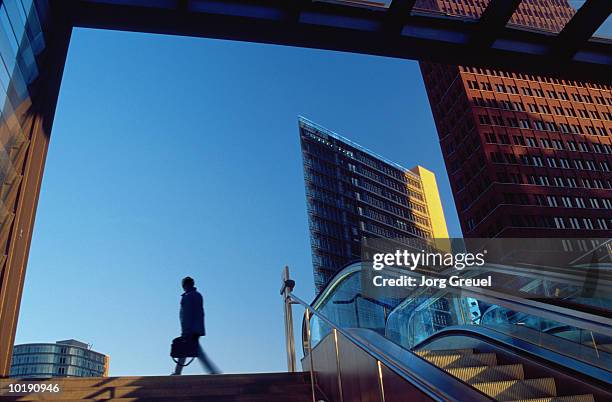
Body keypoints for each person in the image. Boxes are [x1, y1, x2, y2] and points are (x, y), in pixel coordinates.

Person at [172, 276, 221, 375]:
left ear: (184, 285)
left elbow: (186, 316)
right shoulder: (198, 295)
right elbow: (200, 314)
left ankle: (213, 372)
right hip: (196, 329)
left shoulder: (187, 297)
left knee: (192, 350)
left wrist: (185, 331)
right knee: (187, 349)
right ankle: (177, 372)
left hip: (190, 330)